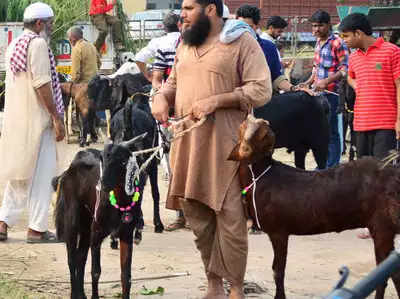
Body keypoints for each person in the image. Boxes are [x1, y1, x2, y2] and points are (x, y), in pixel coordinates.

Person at [151, 0, 272, 298]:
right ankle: (214, 283)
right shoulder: (186, 43)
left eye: (190, 7)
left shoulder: (240, 41)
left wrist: (219, 100)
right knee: (197, 214)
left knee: (230, 217)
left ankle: (237, 287)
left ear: (211, 10)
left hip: (228, 145)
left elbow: (262, 89)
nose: (183, 13)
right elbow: (173, 83)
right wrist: (162, 97)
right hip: (188, 144)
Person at [0, 2, 65, 243]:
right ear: (39, 24)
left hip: (17, 120)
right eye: (50, 23)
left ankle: (3, 222)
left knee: (20, 172)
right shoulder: (37, 44)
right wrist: (56, 117)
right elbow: (41, 83)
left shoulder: (15, 44)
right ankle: (37, 229)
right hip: (38, 120)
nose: (52, 27)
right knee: (43, 175)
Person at [339, 13, 400, 239]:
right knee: (365, 175)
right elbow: (352, 78)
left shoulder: (392, 52)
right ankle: (371, 221)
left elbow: (399, 85)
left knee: (385, 174)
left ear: (359, 33)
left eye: (346, 35)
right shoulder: (354, 57)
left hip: (385, 122)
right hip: (361, 122)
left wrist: (399, 120)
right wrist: (361, 85)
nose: (343, 40)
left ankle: (388, 221)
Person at [301, 10, 349, 168]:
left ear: (329, 24)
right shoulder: (318, 42)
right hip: (318, 94)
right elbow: (316, 67)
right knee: (321, 131)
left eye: (319, 26)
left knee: (332, 132)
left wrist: (327, 81)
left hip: (333, 94)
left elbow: (344, 69)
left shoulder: (337, 42)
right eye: (313, 26)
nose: (316, 29)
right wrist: (308, 82)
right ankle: (323, 165)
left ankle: (332, 166)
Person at [235, 4, 296, 93]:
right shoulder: (227, 47)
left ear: (256, 27)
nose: (243, 30)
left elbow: (276, 77)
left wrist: (293, 88)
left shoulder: (269, 47)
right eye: (239, 26)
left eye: (248, 27)